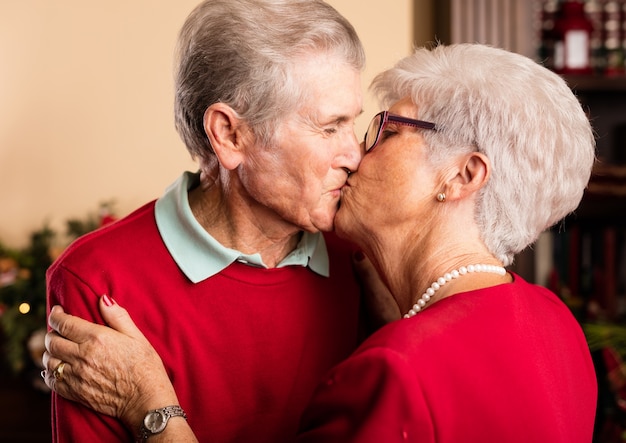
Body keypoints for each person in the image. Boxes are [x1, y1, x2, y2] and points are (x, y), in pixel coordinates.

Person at [44, 43, 599, 442]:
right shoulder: (556, 323)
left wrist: (152, 407)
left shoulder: (394, 370)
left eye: (386, 130)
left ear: (459, 178)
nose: (357, 153)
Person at [44, 1, 372, 442]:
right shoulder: (96, 281)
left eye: (355, 122)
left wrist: (150, 411)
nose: (355, 155)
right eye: (330, 127)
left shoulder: (362, 259)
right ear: (230, 134)